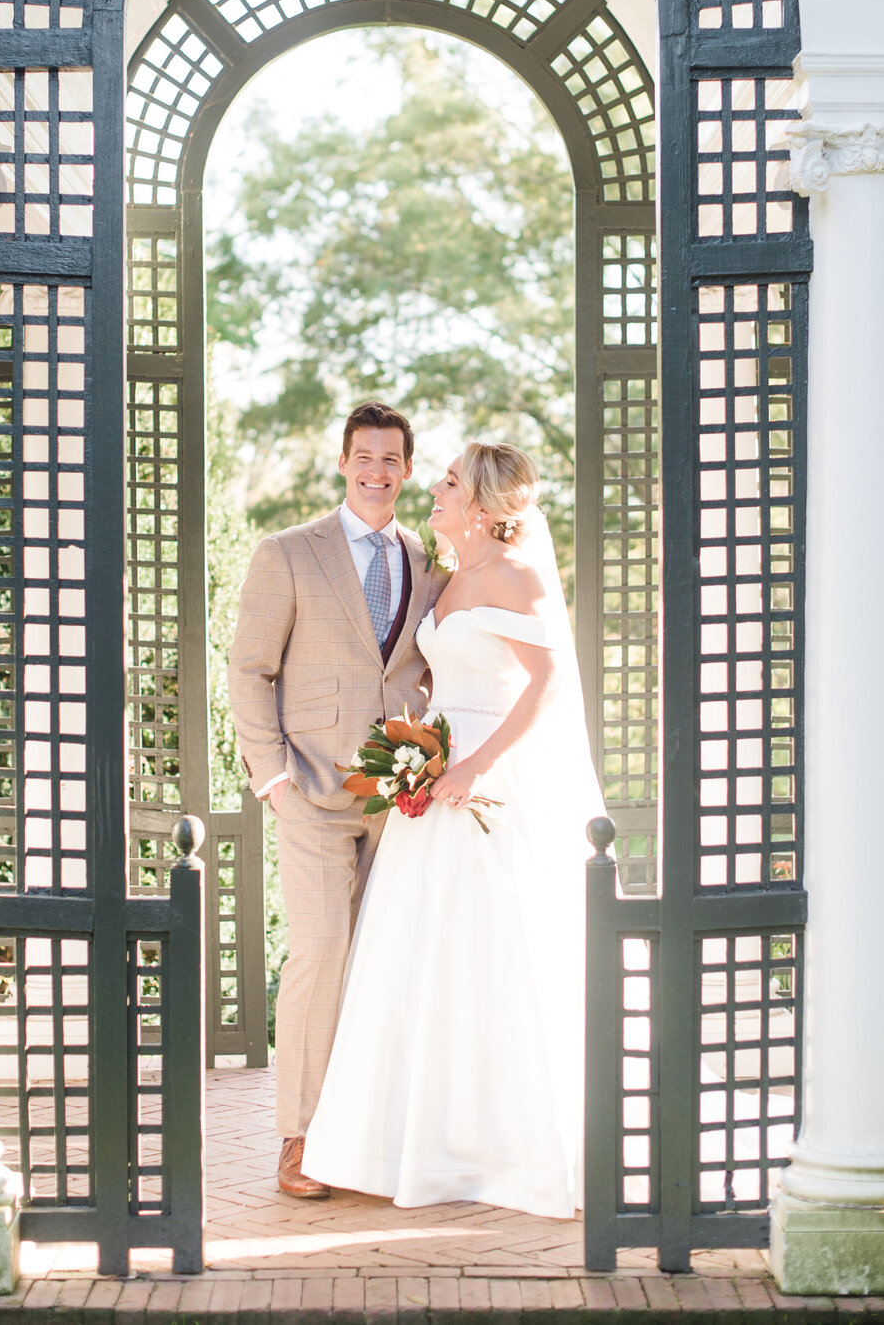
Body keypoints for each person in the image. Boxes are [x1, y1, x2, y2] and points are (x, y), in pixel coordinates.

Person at [302, 442, 604, 1218]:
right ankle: (406, 1141)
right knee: (417, 951)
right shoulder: (446, 578)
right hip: (430, 776)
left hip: (484, 783)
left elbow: (545, 687)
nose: (431, 489)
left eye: (447, 482)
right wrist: (417, 751)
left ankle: (497, 1147)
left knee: (490, 950)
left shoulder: (518, 575)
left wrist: (474, 766)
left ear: (481, 504)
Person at [228, 401, 450, 1199]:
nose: (377, 470)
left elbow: (423, 670)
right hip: (313, 796)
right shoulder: (288, 552)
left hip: (401, 804)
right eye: (365, 456)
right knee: (320, 953)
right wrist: (272, 779)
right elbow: (249, 668)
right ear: (344, 461)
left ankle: (371, 1135)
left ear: (408, 468)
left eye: (391, 458)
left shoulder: (427, 558)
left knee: (385, 964)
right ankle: (299, 1136)